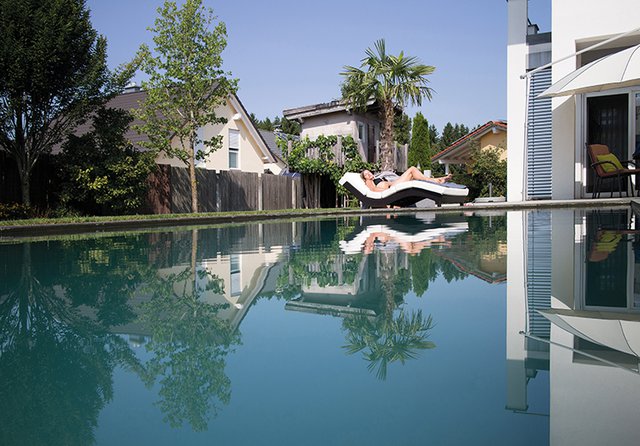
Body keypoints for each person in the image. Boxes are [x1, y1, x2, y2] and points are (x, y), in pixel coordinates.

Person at [361, 167, 453, 192]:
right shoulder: (369, 181)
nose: (369, 174)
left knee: (414, 176)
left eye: (368, 172)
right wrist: (386, 191)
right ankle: (438, 180)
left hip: (393, 185)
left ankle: (437, 180)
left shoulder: (377, 177)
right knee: (412, 169)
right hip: (392, 188)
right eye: (366, 174)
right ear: (365, 178)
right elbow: (373, 190)